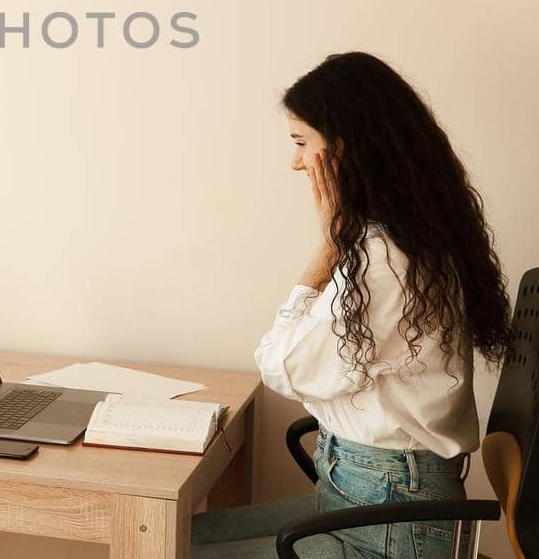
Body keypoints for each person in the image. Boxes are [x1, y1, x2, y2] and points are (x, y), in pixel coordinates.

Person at [192, 52, 512, 559]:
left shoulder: (382, 260)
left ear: (347, 149)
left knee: (173, 547)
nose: (295, 162)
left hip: (389, 516)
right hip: (374, 494)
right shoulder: (402, 241)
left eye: (302, 143)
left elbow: (281, 366)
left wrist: (327, 252)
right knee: (181, 538)